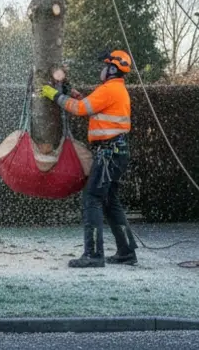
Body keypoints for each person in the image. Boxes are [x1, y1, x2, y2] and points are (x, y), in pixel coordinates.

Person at [41, 50, 137, 268]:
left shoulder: (110, 89)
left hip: (109, 153)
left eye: (105, 66)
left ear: (112, 69)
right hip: (116, 152)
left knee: (92, 199)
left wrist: (55, 96)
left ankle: (94, 254)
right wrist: (71, 92)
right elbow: (92, 106)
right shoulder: (114, 90)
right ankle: (126, 251)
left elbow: (81, 109)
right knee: (110, 201)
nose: (101, 70)